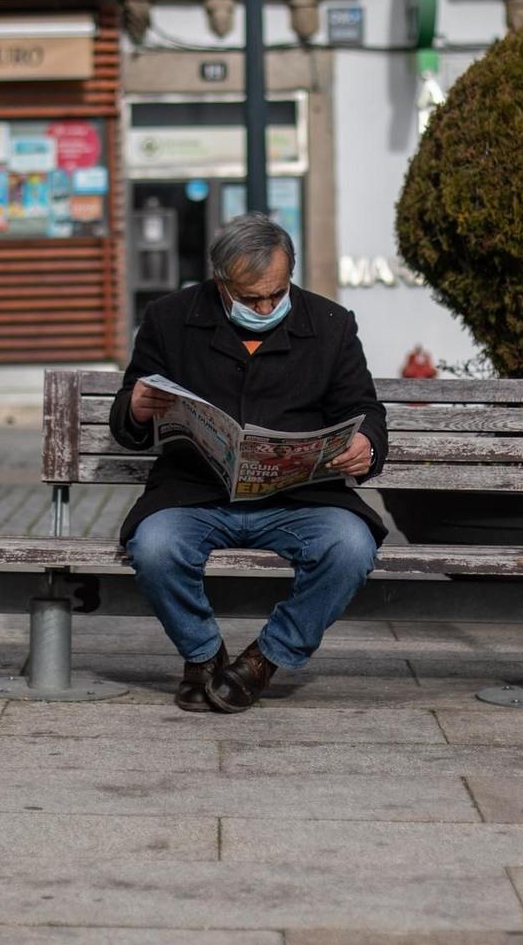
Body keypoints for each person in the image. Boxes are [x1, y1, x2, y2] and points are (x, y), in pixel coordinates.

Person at [110, 213, 387, 713]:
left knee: (350, 547)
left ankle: (265, 659)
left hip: (300, 497)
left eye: (275, 294)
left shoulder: (331, 325)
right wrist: (134, 406)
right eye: (248, 297)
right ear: (220, 281)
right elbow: (129, 413)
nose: (264, 306)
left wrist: (366, 442)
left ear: (291, 275)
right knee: (154, 547)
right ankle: (203, 655)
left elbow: (365, 410)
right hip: (196, 491)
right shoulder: (170, 319)